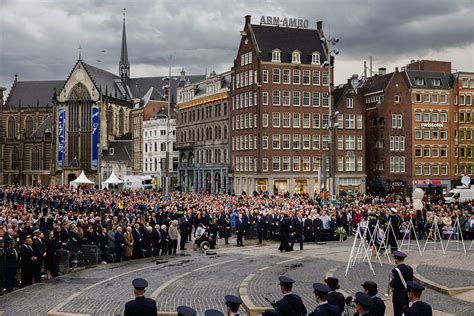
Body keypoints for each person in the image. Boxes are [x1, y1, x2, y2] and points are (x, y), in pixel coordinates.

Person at [389, 250, 413, 316]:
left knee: (398, 313)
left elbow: (393, 284)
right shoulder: (410, 268)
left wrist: (390, 281)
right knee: (406, 313)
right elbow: (411, 282)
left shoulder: (395, 270)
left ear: (396, 258)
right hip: (406, 295)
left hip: (398, 296)